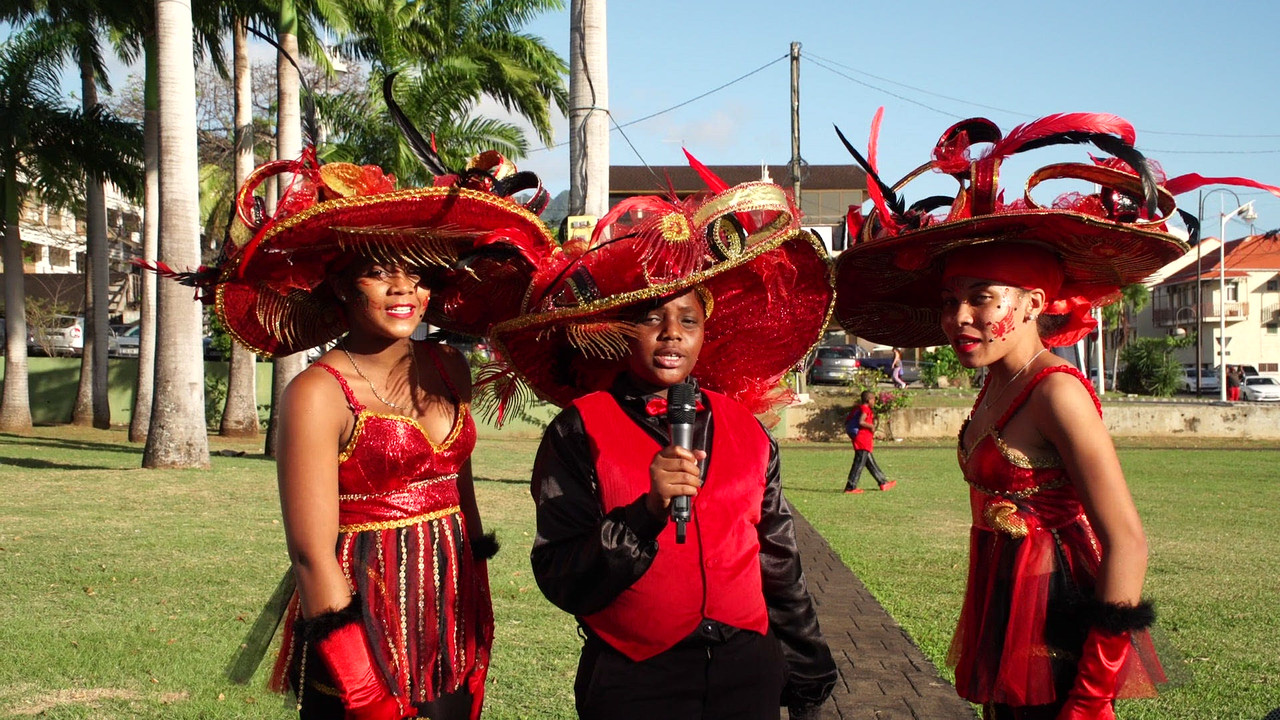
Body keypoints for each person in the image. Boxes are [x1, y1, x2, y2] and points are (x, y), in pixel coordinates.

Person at [828, 110, 1279, 718]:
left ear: (1034, 303)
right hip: (1001, 602)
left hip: (1057, 620)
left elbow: (1128, 542)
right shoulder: (994, 383)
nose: (959, 317)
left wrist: (1092, 695)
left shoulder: (1056, 392)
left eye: (981, 298)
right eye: (948, 301)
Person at [148, 92, 557, 718]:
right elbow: (311, 552)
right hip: (362, 613)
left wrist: (476, 601)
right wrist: (359, 679)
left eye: (418, 274)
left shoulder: (449, 368)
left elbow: (463, 501)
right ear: (343, 283)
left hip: (451, 609)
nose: (403, 289)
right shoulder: (316, 393)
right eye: (381, 272)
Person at [483, 174, 838, 720]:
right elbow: (560, 573)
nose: (671, 333)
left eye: (688, 320)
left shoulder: (747, 429)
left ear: (704, 334)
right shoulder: (578, 429)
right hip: (635, 678)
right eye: (652, 318)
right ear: (623, 330)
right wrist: (645, 515)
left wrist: (807, 666)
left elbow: (778, 558)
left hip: (747, 673)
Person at [843, 390, 896, 493]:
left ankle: (883, 483)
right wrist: (871, 426)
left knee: (870, 463)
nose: (875, 401)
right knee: (858, 464)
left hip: (864, 440)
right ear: (868, 400)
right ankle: (850, 487)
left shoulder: (861, 408)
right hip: (862, 440)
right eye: (874, 399)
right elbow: (861, 422)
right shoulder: (865, 409)